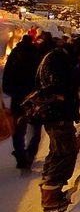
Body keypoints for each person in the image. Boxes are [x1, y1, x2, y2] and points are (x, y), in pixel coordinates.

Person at [32, 44, 80, 212]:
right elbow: (58, 84)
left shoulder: (54, 58)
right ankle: (51, 199)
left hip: (56, 114)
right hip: (57, 114)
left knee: (57, 150)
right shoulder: (57, 61)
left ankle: (50, 191)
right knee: (64, 151)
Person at [2, 36, 41, 168]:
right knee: (35, 127)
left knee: (18, 129)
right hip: (33, 97)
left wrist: (11, 91)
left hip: (17, 97)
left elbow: (7, 76)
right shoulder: (36, 54)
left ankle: (20, 154)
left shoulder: (14, 55)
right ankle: (30, 152)